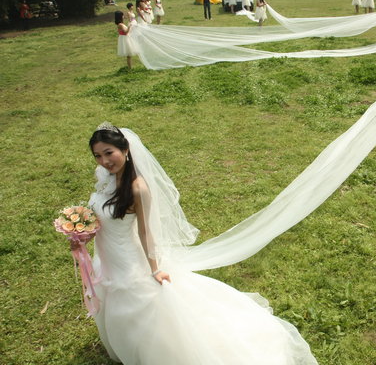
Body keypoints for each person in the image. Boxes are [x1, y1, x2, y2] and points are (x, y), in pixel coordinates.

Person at [87, 123, 318, 365]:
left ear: (125, 150)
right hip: (108, 256)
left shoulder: (137, 188)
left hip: (129, 260)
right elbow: (103, 213)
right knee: (114, 303)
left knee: (140, 306)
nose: (104, 161)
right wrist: (81, 232)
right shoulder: (107, 177)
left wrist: (154, 268)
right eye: (98, 155)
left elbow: (146, 232)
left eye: (109, 153)